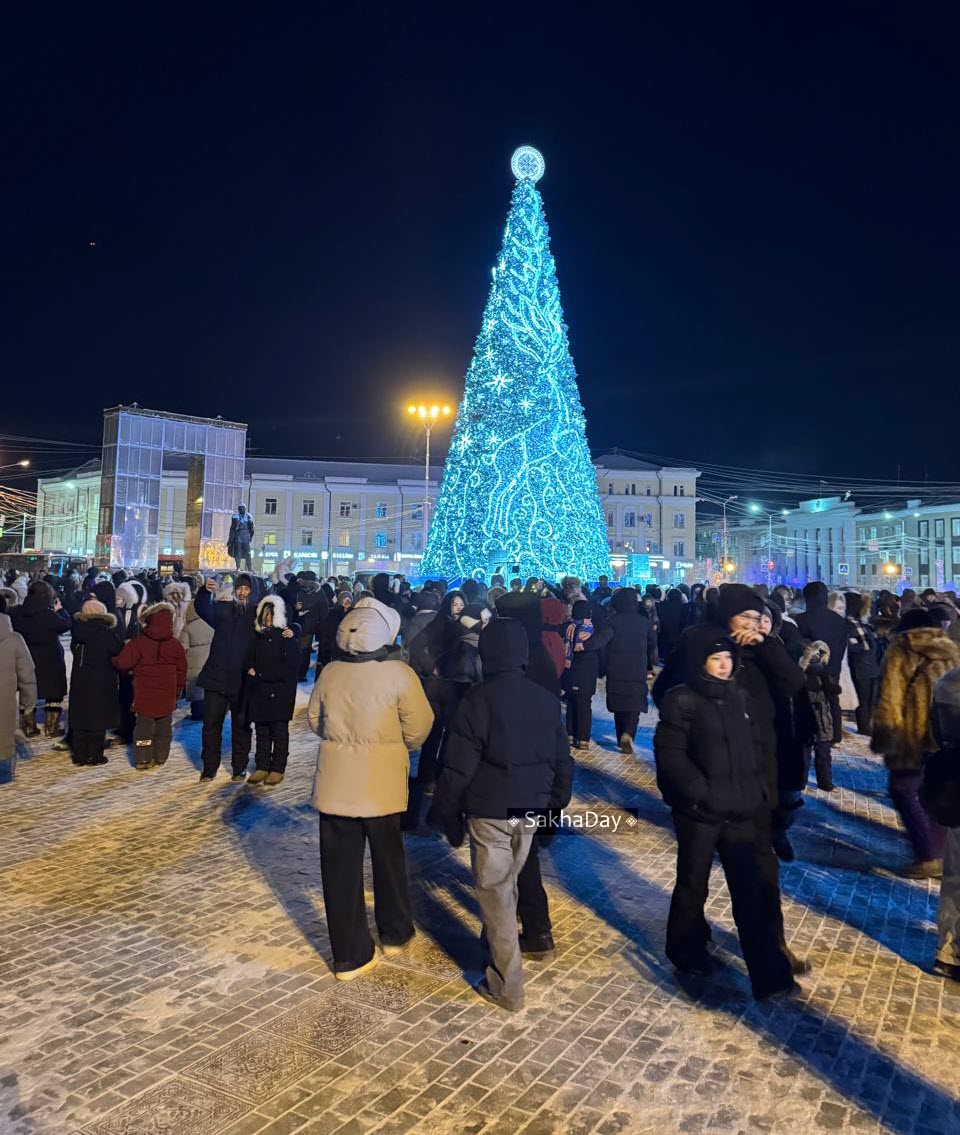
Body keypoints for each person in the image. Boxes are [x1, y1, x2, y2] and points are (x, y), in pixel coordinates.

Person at [430, 618, 573, 1011]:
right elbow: (563, 762)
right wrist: (553, 809)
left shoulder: (478, 700)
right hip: (526, 811)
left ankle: (507, 986)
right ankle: (494, 945)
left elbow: (457, 767)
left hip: (490, 812)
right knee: (506, 887)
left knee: (497, 896)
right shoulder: (545, 699)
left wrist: (447, 813)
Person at [654, 635, 796, 1000]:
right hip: (699, 814)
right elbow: (671, 755)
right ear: (702, 661)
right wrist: (699, 793)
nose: (723, 665)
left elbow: (760, 748)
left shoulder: (741, 697)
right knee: (692, 885)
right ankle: (686, 952)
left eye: (727, 658)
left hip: (742, 810)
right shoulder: (681, 699)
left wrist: (763, 792)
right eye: (715, 658)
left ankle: (770, 974)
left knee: (750, 893)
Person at [308, 597, 433, 980]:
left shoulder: (330, 672)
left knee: (339, 870)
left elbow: (316, 721)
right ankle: (395, 930)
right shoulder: (399, 674)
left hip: (335, 784)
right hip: (382, 784)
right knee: (389, 860)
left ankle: (349, 954)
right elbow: (419, 727)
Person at [871, 609, 960, 876]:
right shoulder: (950, 650)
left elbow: (890, 698)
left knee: (903, 789)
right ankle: (939, 851)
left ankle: (929, 855)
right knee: (937, 789)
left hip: (911, 735)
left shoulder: (900, 650)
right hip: (945, 733)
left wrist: (884, 738)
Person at [196, 572, 282, 783]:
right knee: (210, 726)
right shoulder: (224, 610)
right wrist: (204, 592)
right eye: (240, 589)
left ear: (252, 592)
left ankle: (239, 767)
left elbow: (274, 630)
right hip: (216, 676)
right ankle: (209, 768)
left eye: (247, 589)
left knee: (241, 727)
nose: (242, 593)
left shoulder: (257, 616)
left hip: (243, 680)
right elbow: (204, 608)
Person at [919, 670, 960, 979]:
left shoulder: (949, 683)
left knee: (956, 879)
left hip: (955, 792)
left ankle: (948, 952)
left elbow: (938, 733)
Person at [113, 601, 187, 770]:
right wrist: (178, 690)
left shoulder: (138, 642)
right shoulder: (175, 645)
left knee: (144, 726)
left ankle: (143, 758)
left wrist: (113, 660)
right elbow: (182, 670)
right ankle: (161, 756)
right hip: (168, 693)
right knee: (163, 726)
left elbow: (123, 663)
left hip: (144, 692)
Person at [246, 596, 301, 785]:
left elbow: (290, 667)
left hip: (280, 691)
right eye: (264, 614)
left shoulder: (286, 637)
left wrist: (262, 675)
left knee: (278, 730)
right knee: (261, 730)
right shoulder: (257, 636)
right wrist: (250, 668)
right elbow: (249, 657)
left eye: (270, 615)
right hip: (260, 690)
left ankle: (278, 767)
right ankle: (262, 765)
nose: (267, 618)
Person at [12, 580, 71, 737]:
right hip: (51, 658)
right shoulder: (50, 615)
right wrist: (60, 610)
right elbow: (66, 625)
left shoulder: (17, 613)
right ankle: (52, 728)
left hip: (26, 657)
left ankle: (30, 727)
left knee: (27, 689)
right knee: (54, 691)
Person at [68, 599, 122, 766]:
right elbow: (118, 649)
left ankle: (80, 755)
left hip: (80, 680)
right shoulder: (107, 634)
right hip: (102, 680)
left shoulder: (77, 633)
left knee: (80, 716)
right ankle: (96, 755)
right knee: (99, 717)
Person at [604, 587, 657, 755]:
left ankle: (621, 735)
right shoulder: (643, 621)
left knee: (619, 704)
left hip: (616, 668)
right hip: (637, 667)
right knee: (635, 704)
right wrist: (650, 663)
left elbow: (603, 643)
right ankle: (629, 734)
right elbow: (652, 643)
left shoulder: (612, 621)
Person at [0, 606, 36, 782]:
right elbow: (27, 674)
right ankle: (5, 778)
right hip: (4, 702)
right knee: (4, 742)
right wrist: (28, 702)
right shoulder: (14, 639)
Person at [563, 599, 601, 749]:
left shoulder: (568, 628)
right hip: (587, 669)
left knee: (571, 701)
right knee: (584, 703)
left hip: (570, 667)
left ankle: (570, 734)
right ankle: (583, 738)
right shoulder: (592, 629)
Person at [845, 592, 880, 736]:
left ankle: (867, 724)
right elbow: (859, 645)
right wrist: (867, 646)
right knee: (863, 698)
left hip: (869, 666)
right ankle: (864, 726)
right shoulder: (851, 623)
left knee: (869, 698)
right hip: (861, 667)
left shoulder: (860, 623)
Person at [178, 598, 214, 720]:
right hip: (211, 658)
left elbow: (182, 647)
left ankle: (197, 712)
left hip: (194, 661)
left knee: (196, 688)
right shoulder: (213, 622)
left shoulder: (188, 626)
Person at [227, 503, 255, 572]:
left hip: (246, 536)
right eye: (240, 508)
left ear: (245, 509)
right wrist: (230, 540)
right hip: (238, 536)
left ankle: (250, 568)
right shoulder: (235, 517)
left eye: (243, 508)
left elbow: (252, 528)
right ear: (238, 509)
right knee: (238, 552)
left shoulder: (248, 517)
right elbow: (232, 529)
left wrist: (250, 537)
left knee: (248, 553)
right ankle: (238, 567)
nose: (241, 509)